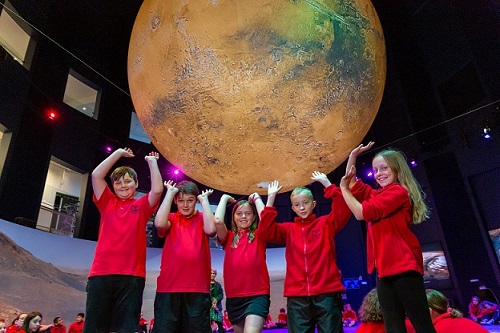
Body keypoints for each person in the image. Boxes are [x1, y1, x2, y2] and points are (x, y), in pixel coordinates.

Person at [339, 142, 436, 333]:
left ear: (396, 169)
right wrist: (352, 156)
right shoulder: (378, 194)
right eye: (375, 169)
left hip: (403, 267)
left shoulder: (398, 192)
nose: (378, 173)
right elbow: (352, 183)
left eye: (384, 168)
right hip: (384, 270)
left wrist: (343, 190)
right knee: (392, 326)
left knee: (422, 325)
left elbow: (361, 213)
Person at [259, 173, 354, 333]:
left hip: (326, 293)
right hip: (297, 296)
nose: (302, 207)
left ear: (313, 203)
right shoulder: (288, 229)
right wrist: (270, 199)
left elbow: (343, 210)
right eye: (297, 204)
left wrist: (327, 183)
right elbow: (265, 232)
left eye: (306, 203)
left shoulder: (325, 224)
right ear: (293, 208)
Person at [84, 148, 163, 333]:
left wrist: (152, 162)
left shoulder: (141, 205)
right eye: (118, 182)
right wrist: (118, 154)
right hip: (101, 274)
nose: (122, 185)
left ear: (136, 184)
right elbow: (96, 175)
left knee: (126, 328)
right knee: (94, 328)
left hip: (132, 277)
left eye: (128, 181)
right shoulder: (107, 202)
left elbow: (158, 190)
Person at [152, 180, 215, 333]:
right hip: (168, 289)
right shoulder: (172, 219)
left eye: (190, 200)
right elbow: (159, 223)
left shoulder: (202, 219)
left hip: (198, 290)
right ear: (175, 201)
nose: (185, 205)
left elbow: (211, 230)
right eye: (181, 201)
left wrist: (204, 201)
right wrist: (170, 193)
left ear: (196, 200)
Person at [213, 191, 270, 333]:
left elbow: (267, 219)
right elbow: (218, 220)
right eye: (239, 213)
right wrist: (224, 198)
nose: (243, 216)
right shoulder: (228, 238)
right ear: (233, 217)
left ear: (253, 216)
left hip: (257, 296)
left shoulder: (259, 235)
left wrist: (257, 199)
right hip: (234, 299)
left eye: (248, 213)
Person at [210, 268, 225, 333]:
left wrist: (216, 299)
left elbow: (221, 294)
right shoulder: (205, 284)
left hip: (217, 307)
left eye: (213, 273)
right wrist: (212, 300)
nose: (212, 275)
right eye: (211, 273)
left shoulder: (218, 284)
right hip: (209, 307)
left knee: (220, 323)